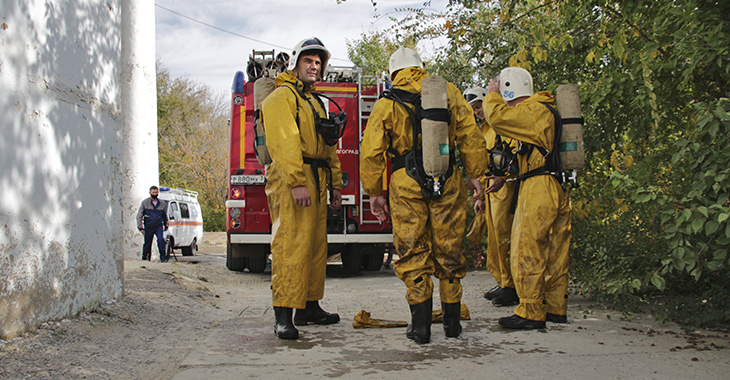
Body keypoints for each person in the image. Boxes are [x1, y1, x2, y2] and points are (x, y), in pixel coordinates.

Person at [360, 46, 488, 344]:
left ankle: (420, 328)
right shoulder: (448, 92)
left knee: (413, 251)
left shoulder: (386, 102)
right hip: (448, 178)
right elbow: (470, 134)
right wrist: (475, 174)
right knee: (449, 249)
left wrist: (374, 192)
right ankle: (453, 324)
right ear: (421, 67)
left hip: (405, 182)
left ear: (393, 74)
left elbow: (371, 152)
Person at [261, 37, 343, 340]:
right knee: (291, 245)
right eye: (309, 61)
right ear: (295, 64)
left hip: (318, 177)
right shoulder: (282, 97)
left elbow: (329, 147)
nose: (315, 66)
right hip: (293, 177)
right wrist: (296, 182)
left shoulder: (314, 102)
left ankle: (309, 306)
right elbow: (284, 142)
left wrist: (335, 184)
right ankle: (283, 313)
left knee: (314, 246)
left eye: (318, 62)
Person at [484, 67, 572, 329]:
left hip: (538, 186)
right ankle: (555, 308)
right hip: (555, 184)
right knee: (556, 252)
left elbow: (497, 118)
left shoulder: (532, 111)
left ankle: (530, 311)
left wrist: (492, 95)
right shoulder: (544, 110)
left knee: (527, 247)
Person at [463, 87, 520, 307]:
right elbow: (480, 161)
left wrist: (503, 177)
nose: (478, 112)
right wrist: (478, 197)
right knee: (494, 239)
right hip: (488, 191)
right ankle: (503, 281)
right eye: (474, 109)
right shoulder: (484, 130)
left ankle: (512, 285)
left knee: (504, 235)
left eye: (479, 106)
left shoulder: (502, 124)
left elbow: (513, 155)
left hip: (503, 189)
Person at [136, 186, 169, 262]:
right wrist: (140, 227)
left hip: (158, 226)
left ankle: (163, 258)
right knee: (147, 243)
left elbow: (165, 216)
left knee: (161, 240)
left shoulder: (162, 204)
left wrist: (166, 225)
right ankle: (146, 259)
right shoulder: (145, 203)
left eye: (156, 192)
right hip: (148, 226)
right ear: (150, 193)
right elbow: (139, 215)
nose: (154, 194)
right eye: (153, 192)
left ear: (158, 193)